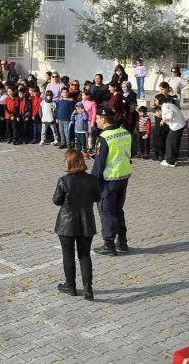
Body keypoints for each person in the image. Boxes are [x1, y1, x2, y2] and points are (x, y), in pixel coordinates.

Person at [53, 149, 101, 300]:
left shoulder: (64, 180)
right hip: (86, 222)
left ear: (69, 162)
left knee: (68, 255)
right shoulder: (92, 179)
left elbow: (56, 200)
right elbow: (97, 197)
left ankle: (70, 286)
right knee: (84, 255)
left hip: (66, 224)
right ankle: (88, 288)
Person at [91, 106, 132, 257]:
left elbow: (99, 163)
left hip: (108, 180)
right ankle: (122, 241)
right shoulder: (125, 132)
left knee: (106, 211)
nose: (95, 120)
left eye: (96, 118)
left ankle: (109, 244)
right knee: (118, 209)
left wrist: (92, 183)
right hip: (124, 176)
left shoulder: (104, 137)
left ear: (103, 119)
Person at [159, 94, 186, 167]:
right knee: (174, 143)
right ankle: (174, 160)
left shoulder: (165, 106)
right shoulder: (169, 104)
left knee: (170, 142)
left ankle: (170, 161)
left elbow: (170, 115)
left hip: (176, 126)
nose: (154, 101)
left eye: (155, 100)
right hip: (179, 125)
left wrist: (163, 120)